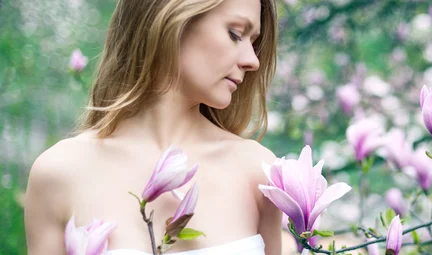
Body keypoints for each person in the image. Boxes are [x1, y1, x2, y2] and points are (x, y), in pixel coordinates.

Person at [24, 0, 282, 254]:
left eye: (254, 42)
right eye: (235, 34)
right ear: (171, 17)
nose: (253, 61)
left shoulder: (258, 172)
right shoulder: (60, 173)